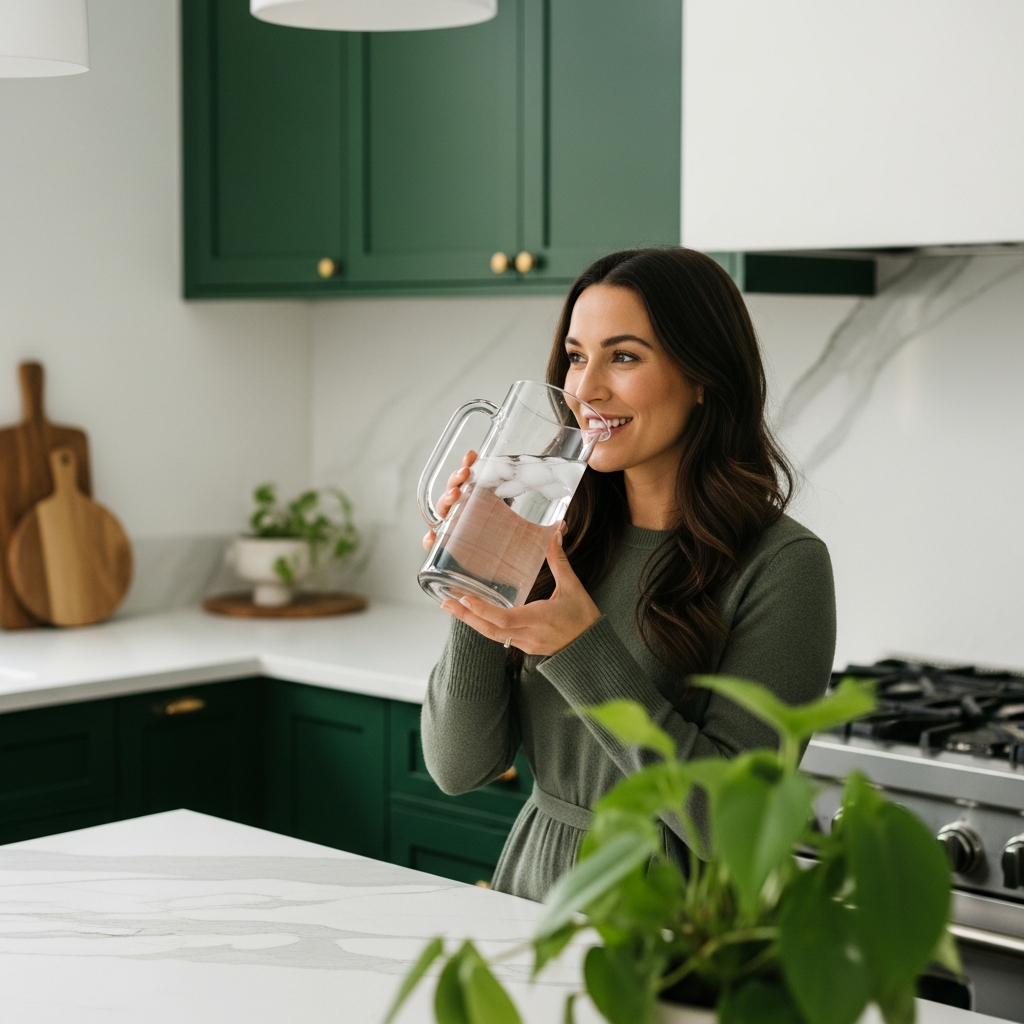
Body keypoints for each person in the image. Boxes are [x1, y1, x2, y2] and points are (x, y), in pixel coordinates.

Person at [420, 247, 836, 902]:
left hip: (677, 923)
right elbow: (457, 766)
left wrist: (579, 647)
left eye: (625, 356)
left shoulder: (783, 565)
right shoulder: (561, 535)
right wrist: (480, 567)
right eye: (577, 356)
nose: (585, 388)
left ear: (704, 375)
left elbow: (739, 830)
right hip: (532, 896)